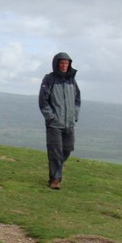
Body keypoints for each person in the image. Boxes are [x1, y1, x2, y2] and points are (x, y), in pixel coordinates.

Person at [38, 52, 81, 190]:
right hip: (54, 124)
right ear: (57, 64)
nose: (64, 66)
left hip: (69, 124)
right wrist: (50, 117)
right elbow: (43, 101)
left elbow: (77, 99)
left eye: (66, 63)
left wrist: (74, 115)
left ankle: (55, 168)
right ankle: (55, 179)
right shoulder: (49, 79)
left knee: (68, 149)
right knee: (55, 152)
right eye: (61, 63)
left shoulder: (71, 80)